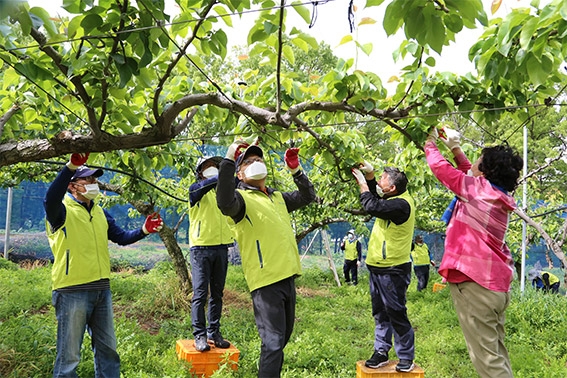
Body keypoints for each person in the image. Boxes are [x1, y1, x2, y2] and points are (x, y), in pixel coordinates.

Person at [44, 153, 163, 378]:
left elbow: (121, 237)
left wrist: (144, 230)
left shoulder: (100, 212)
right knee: (69, 358)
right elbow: (50, 199)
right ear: (72, 187)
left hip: (101, 290)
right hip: (71, 291)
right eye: (87, 180)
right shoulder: (61, 212)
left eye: (94, 180)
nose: (93, 184)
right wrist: (71, 166)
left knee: (108, 351)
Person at [425, 126, 523, 378]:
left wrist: (430, 141)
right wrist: (455, 149)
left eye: (479, 159)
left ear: (486, 171)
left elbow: (443, 171)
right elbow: (468, 175)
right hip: (494, 286)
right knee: (496, 353)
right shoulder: (493, 194)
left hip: (476, 284)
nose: (475, 160)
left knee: (488, 362)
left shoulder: (476, 190)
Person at [216, 141, 316, 378]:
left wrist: (295, 170)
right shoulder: (240, 200)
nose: (256, 164)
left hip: (287, 277)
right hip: (265, 281)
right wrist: (229, 159)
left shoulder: (277, 197)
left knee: (281, 340)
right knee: (272, 343)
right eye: (249, 162)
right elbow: (224, 202)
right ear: (240, 173)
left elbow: (307, 196)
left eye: (259, 160)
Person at [351, 161, 416, 373]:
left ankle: (405, 356)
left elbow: (372, 204)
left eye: (382, 180)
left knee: (396, 311)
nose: (379, 182)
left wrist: (362, 184)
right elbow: (376, 198)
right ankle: (381, 351)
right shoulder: (392, 199)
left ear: (392, 188)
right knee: (380, 312)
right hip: (377, 267)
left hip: (393, 269)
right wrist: (369, 175)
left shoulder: (401, 205)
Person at [189, 156, 234, 352]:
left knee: (217, 293)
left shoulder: (221, 194)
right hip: (201, 248)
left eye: (215, 167)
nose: (213, 169)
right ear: (200, 171)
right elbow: (204, 187)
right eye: (208, 167)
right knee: (200, 294)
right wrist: (224, 173)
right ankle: (199, 335)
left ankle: (213, 331)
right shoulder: (196, 190)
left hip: (221, 248)